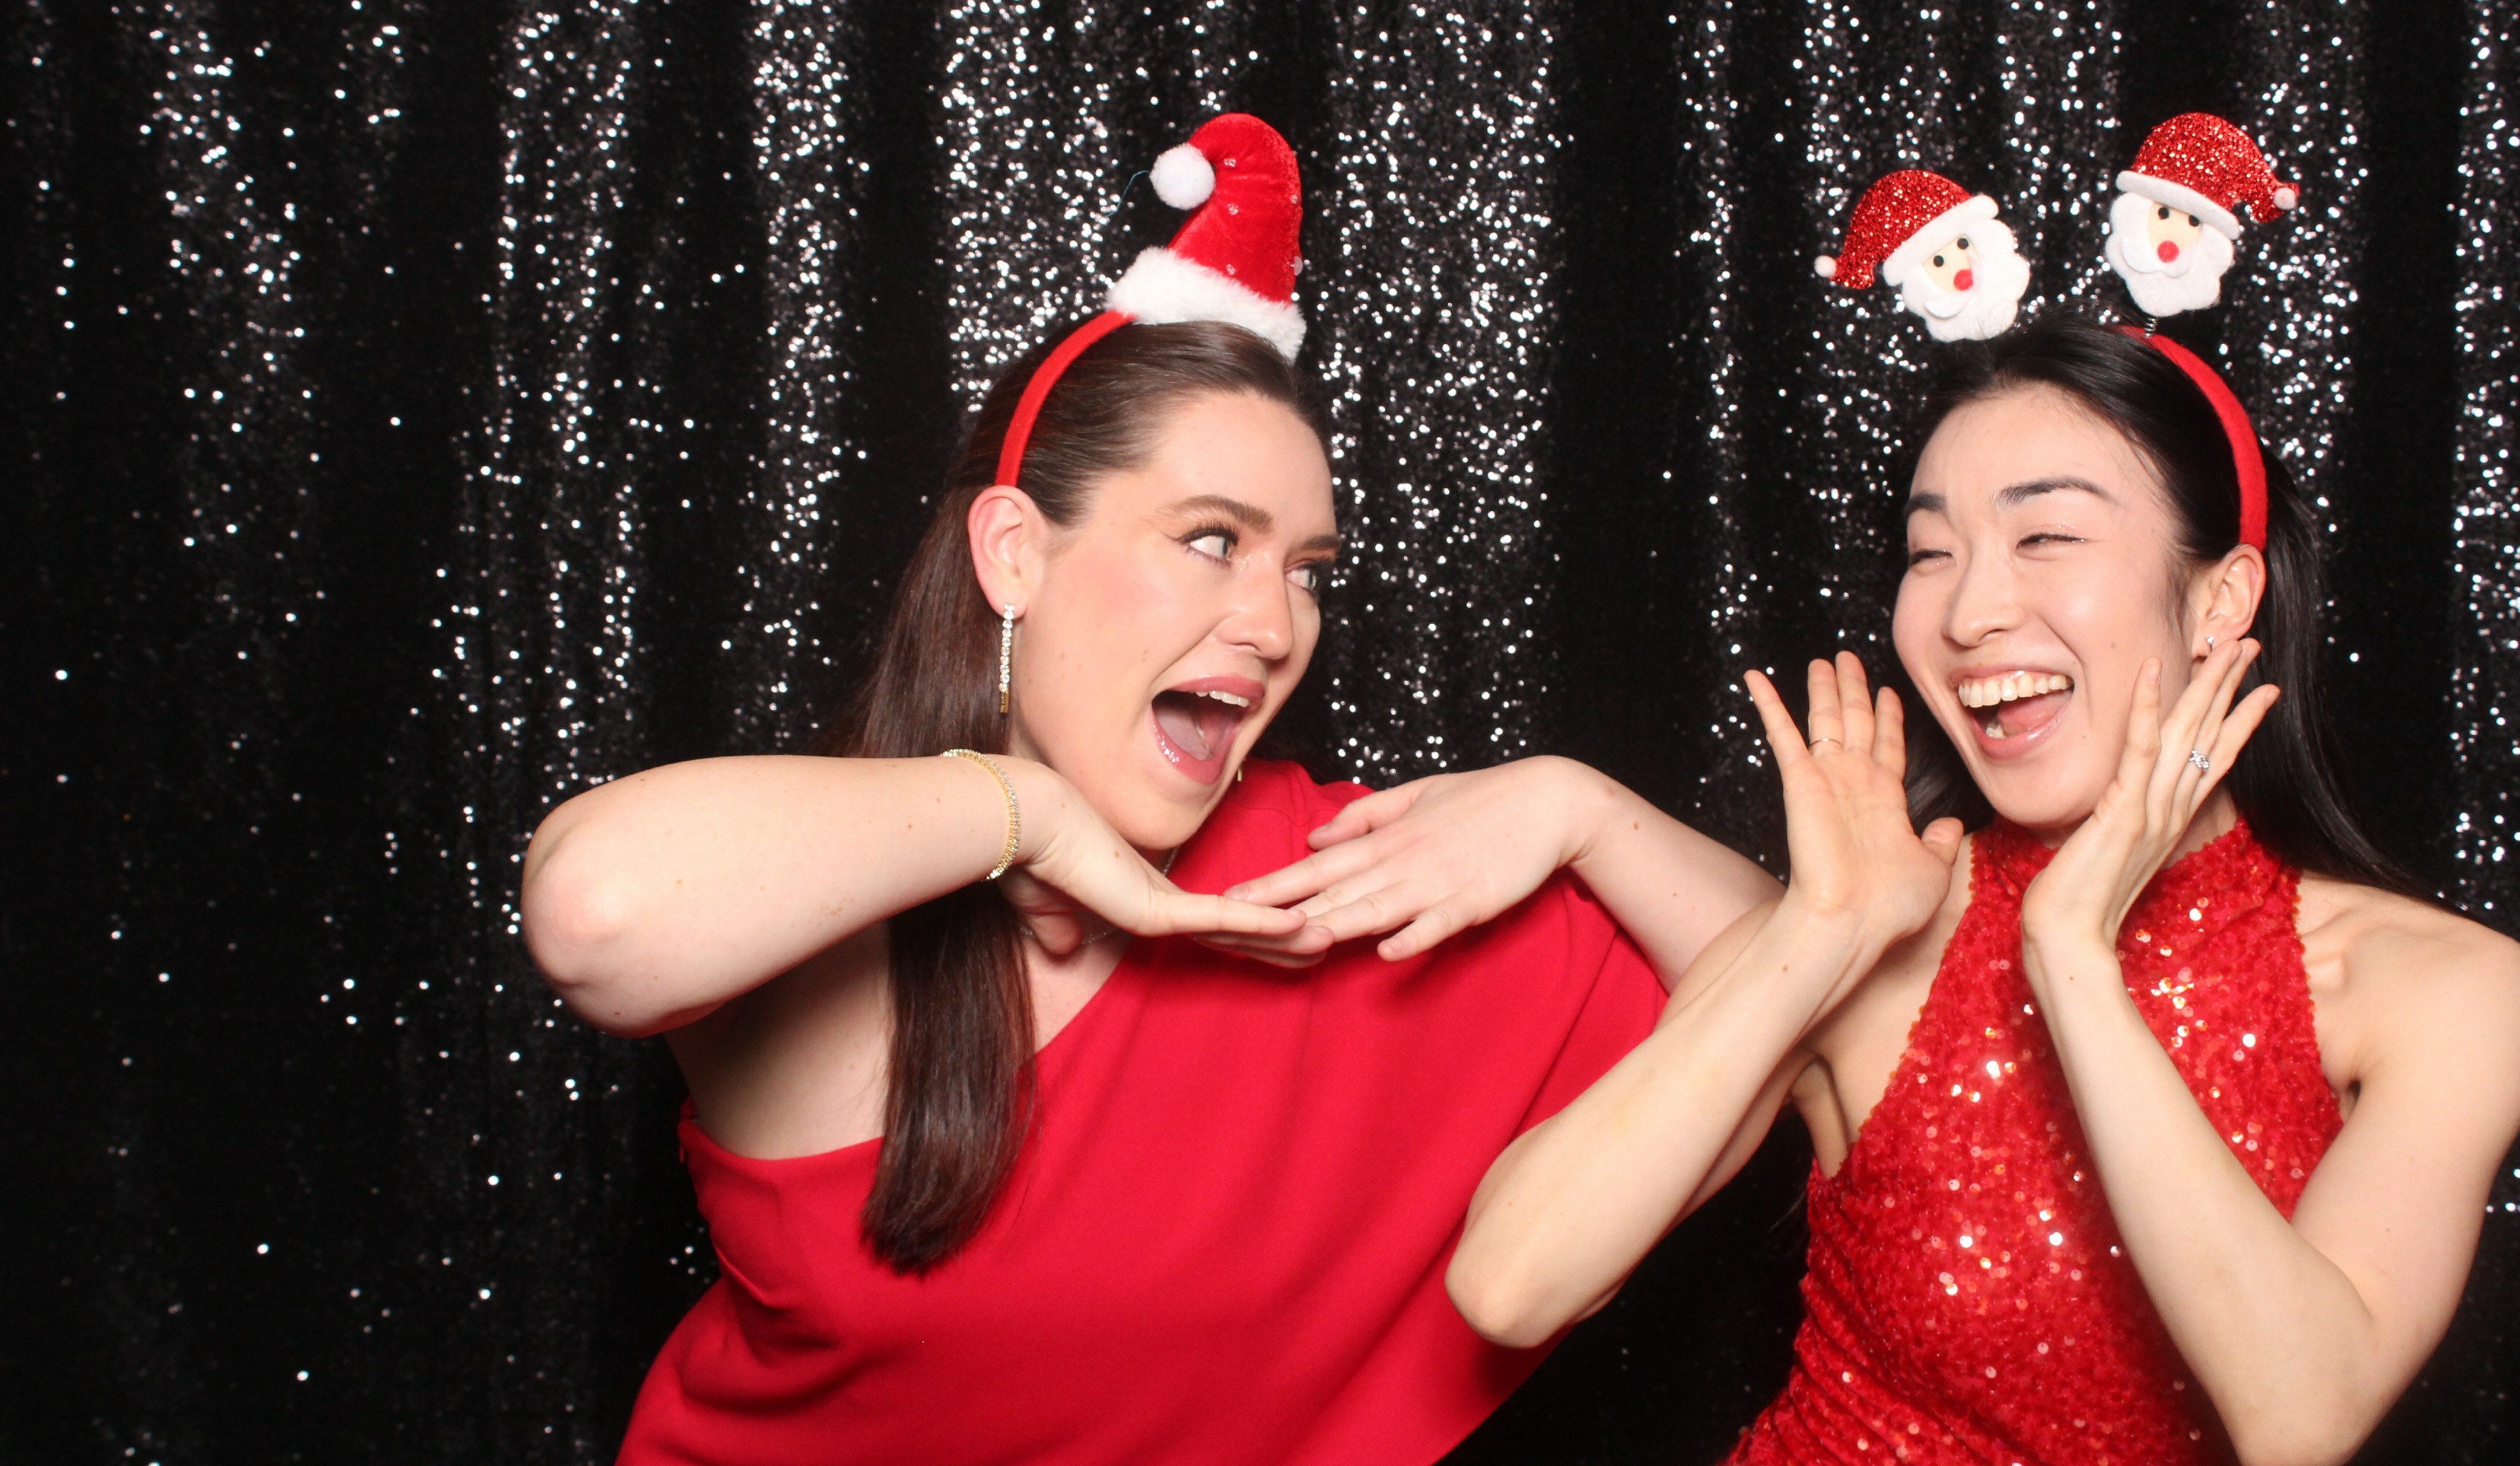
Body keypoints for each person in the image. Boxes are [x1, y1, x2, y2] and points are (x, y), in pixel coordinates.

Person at [518, 114, 1780, 1465]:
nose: (1276, 626)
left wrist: (1581, 804)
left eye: (1305, 571)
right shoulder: (830, 881)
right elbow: (597, 913)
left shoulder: (1327, 878)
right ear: (1014, 554)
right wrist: (1029, 815)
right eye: (1212, 540)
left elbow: (1797, 975)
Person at [1372, 314, 2520, 1464]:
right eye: (1931, 553)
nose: (1970, 614)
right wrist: (1822, 926)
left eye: (2045, 536)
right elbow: (1509, 1285)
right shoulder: (1879, 920)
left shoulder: (2453, 991)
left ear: (2223, 599)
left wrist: (2071, 954)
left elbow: (2303, 1415)